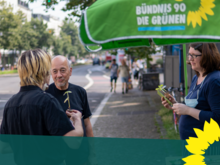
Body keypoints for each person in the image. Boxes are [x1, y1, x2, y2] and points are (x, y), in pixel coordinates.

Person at [0, 49, 83, 165]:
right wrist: (77, 119)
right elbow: (74, 142)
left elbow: (3, 148)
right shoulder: (47, 101)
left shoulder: (10, 104)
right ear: (43, 72)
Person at [161, 43, 220, 140]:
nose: (190, 59)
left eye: (194, 55)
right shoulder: (196, 78)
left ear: (207, 55)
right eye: (189, 54)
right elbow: (197, 107)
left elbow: (218, 118)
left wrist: (188, 110)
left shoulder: (214, 81)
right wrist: (175, 105)